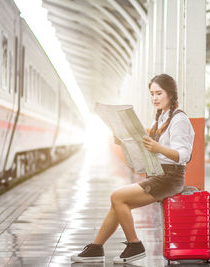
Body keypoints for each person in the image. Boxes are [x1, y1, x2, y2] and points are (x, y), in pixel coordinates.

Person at [71, 73, 195, 264]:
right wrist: (123, 141)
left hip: (170, 178)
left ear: (170, 94)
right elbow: (146, 150)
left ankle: (135, 244)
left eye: (159, 93)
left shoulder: (179, 120)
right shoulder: (159, 119)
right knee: (118, 203)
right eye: (152, 94)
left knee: (117, 197)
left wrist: (158, 148)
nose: (154, 98)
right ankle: (96, 248)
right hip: (159, 175)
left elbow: (184, 156)